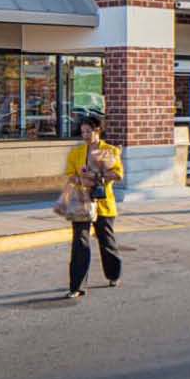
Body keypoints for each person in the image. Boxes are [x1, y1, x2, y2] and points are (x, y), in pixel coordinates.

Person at [66, 115, 123, 298]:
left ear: (98, 130)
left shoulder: (110, 150)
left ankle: (113, 274)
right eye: (82, 132)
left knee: (106, 240)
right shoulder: (76, 153)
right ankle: (77, 286)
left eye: (88, 131)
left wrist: (100, 177)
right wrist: (81, 178)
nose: (85, 135)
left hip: (103, 203)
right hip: (82, 202)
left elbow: (118, 174)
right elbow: (70, 175)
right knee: (80, 242)